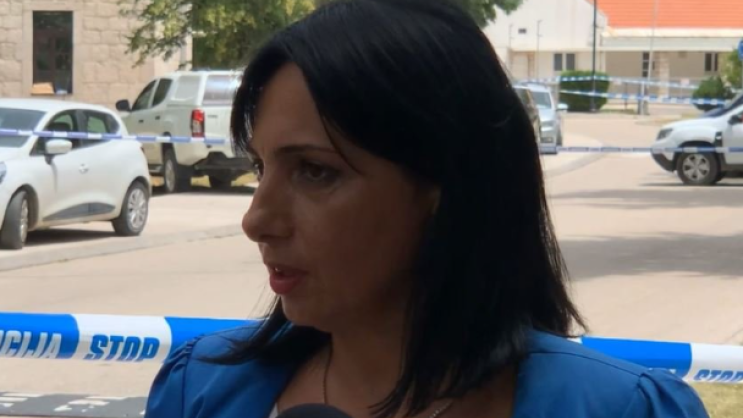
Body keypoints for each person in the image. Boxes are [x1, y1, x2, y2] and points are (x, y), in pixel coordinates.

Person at [144, 0, 710, 417]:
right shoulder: (201, 390)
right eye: (260, 166)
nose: (256, 221)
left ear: (447, 186)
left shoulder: (620, 408)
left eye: (315, 171)